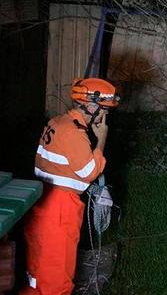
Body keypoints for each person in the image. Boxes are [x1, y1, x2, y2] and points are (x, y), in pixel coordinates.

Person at [20, 78, 120, 295]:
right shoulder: (74, 133)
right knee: (57, 280)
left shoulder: (58, 123)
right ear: (92, 106)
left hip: (42, 202)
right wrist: (101, 138)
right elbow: (90, 171)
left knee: (37, 275)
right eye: (105, 110)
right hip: (59, 210)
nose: (105, 116)